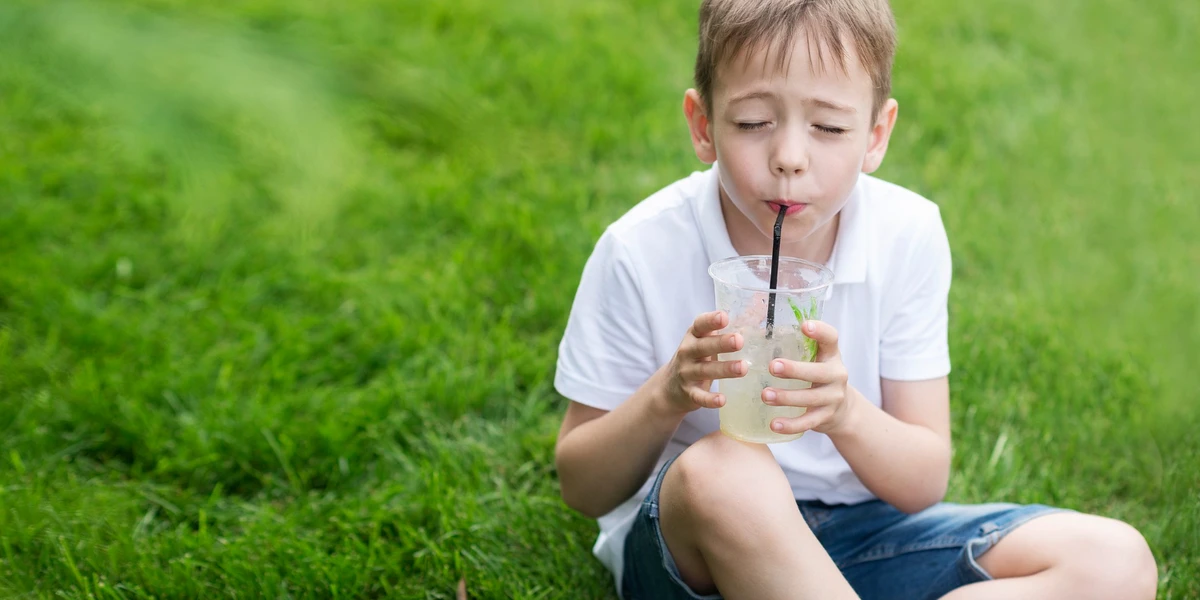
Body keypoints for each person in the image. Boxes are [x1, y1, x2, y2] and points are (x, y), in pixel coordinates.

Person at [551, 1, 1159, 599]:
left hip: (861, 532)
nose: (789, 157)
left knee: (1116, 563)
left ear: (875, 135)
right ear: (703, 125)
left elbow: (923, 481)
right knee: (726, 468)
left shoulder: (907, 235)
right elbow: (582, 484)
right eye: (753, 122)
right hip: (698, 546)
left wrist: (846, 412)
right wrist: (666, 395)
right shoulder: (640, 248)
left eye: (830, 127)